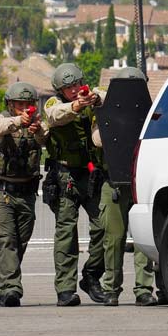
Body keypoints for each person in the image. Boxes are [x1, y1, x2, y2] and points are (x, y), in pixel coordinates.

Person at [93, 67, 161, 306]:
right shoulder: (104, 112)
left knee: (143, 239)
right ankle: (110, 287)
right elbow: (98, 139)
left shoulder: (151, 113)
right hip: (113, 182)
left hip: (139, 183)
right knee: (113, 239)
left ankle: (143, 289)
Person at [43, 63, 107, 306]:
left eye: (75, 86)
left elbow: (107, 95)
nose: (72, 90)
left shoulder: (91, 95)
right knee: (66, 234)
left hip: (91, 174)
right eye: (67, 88)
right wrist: (76, 105)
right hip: (65, 175)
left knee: (103, 227)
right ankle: (65, 289)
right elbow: (54, 115)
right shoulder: (53, 103)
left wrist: (94, 98)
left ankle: (91, 276)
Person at [0, 82, 47, 307]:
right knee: (6, 240)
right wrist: (19, 122)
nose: (25, 108)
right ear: (10, 105)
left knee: (20, 243)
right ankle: (12, 289)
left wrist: (37, 130)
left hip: (27, 193)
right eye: (20, 105)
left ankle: (2, 289)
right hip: (1, 192)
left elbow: (46, 139)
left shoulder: (36, 124)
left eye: (28, 105)